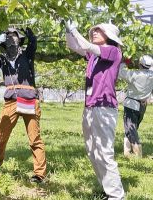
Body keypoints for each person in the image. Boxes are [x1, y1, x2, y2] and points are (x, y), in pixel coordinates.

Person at [65, 21, 124, 200]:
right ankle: (108, 190)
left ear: (110, 35)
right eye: (94, 30)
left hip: (104, 108)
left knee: (104, 152)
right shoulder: (93, 56)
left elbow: (85, 44)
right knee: (92, 151)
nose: (95, 32)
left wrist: (75, 29)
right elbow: (74, 45)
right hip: (90, 106)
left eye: (100, 30)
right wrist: (68, 30)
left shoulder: (113, 51)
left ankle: (117, 196)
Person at [0, 27, 46, 184]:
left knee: (34, 138)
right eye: (7, 35)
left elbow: (33, 43)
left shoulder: (27, 55)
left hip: (29, 99)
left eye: (14, 35)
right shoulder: (2, 59)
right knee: (1, 136)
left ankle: (39, 174)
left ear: (19, 39)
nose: (10, 38)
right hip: (11, 101)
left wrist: (28, 31)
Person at [119, 55, 153, 158]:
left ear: (140, 64)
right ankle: (127, 151)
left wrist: (126, 61)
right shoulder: (151, 75)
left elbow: (120, 71)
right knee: (133, 127)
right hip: (143, 105)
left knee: (130, 128)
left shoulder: (133, 74)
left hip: (132, 104)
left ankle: (138, 153)